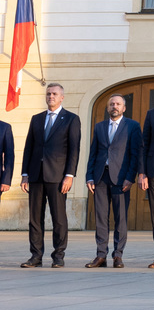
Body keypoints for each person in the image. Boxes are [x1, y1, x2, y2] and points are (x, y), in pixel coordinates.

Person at [20, 82, 81, 268]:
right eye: (48, 94)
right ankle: (36, 256)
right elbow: (29, 147)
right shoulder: (37, 119)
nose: (51, 97)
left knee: (59, 218)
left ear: (62, 97)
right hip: (36, 175)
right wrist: (25, 174)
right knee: (34, 219)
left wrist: (69, 175)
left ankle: (58, 256)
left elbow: (74, 149)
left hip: (58, 177)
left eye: (54, 94)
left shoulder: (71, 119)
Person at [84, 94, 141, 268]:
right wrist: (89, 176)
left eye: (118, 104)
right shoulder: (99, 127)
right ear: (108, 108)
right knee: (101, 217)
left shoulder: (132, 126)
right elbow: (93, 153)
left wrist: (130, 177)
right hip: (100, 177)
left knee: (120, 218)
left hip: (121, 179)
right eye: (111, 104)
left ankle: (118, 255)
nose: (114, 106)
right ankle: (101, 255)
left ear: (124, 108)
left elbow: (135, 154)